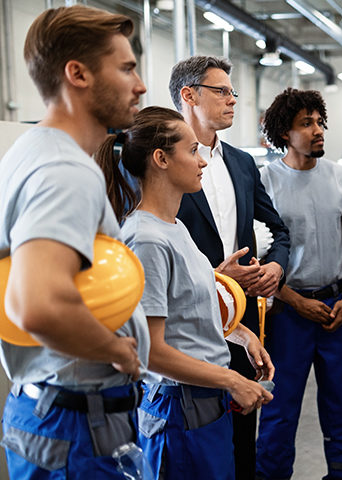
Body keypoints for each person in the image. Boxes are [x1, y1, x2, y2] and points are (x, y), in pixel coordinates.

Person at [0, 6, 149, 478]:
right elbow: (38, 305)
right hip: (75, 426)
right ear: (77, 74)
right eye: (126, 68)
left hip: (52, 413)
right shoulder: (66, 171)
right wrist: (117, 349)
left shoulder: (30, 150)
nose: (140, 84)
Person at [95, 106, 275, 479]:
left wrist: (241, 336)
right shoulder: (146, 239)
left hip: (204, 402)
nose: (202, 163)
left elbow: (186, 306)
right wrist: (232, 380)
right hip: (179, 407)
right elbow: (150, 350)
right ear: (161, 159)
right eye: (192, 151)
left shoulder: (175, 228)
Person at [168, 55, 290, 478]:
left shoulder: (241, 163)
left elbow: (278, 228)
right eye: (221, 91)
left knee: (242, 438)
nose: (232, 101)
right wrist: (218, 279)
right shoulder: (163, 163)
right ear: (189, 95)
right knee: (194, 446)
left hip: (239, 324)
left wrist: (275, 269)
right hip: (185, 334)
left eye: (232, 92)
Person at [255, 88, 342, 480]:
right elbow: (261, 256)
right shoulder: (264, 181)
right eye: (306, 123)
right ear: (285, 132)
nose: (318, 130)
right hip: (287, 315)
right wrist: (295, 301)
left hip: (338, 310)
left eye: (319, 121)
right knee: (279, 410)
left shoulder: (340, 177)